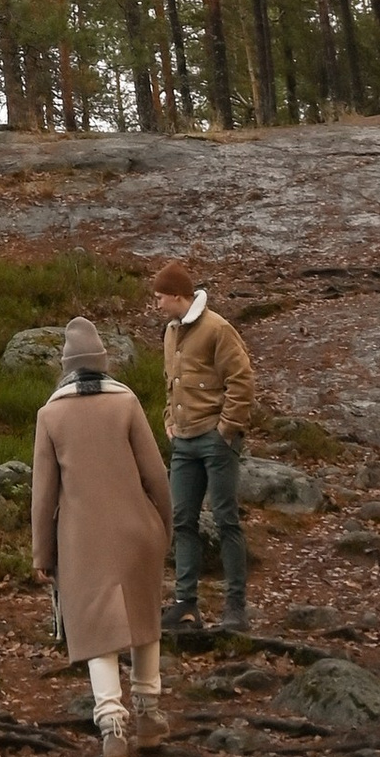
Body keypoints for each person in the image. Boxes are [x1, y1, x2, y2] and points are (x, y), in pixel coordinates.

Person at [30, 314, 173, 757]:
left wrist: (42, 554)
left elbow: (44, 495)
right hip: (137, 531)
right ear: (102, 362)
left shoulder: (50, 415)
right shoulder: (126, 402)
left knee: (98, 635)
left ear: (66, 366)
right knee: (143, 620)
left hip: (81, 542)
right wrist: (163, 529)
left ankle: (113, 731)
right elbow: (156, 475)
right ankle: (150, 715)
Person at [150, 255, 256, 637]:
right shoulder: (170, 332)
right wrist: (168, 421)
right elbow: (170, 383)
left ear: (178, 296)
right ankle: (185, 603)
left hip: (215, 441)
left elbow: (241, 380)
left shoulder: (217, 329)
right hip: (184, 442)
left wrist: (226, 430)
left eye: (161, 297)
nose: (157, 304)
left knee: (227, 519)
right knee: (182, 521)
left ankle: (235, 607)